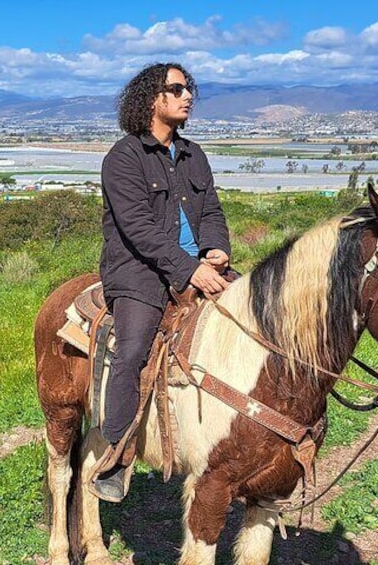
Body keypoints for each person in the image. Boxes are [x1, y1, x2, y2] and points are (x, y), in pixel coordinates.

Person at [93, 62, 232, 502]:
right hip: (138, 271)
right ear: (152, 99)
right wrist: (190, 270)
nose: (187, 94)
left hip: (197, 263)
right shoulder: (123, 158)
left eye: (189, 87)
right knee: (133, 347)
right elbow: (139, 229)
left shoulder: (195, 155)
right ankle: (115, 455)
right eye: (177, 88)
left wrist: (217, 248)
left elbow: (211, 211)